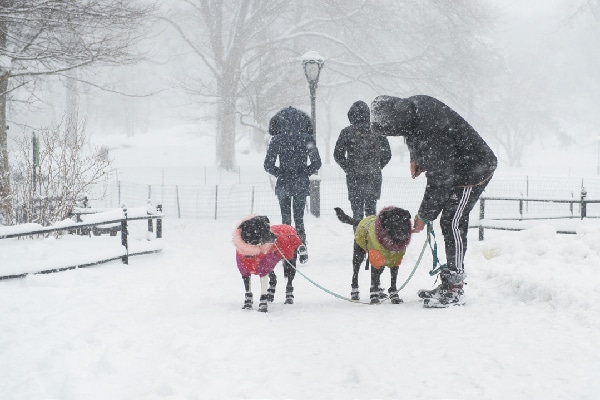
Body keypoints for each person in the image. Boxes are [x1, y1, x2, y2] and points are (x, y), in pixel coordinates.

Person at [371, 95, 497, 307]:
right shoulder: (412, 110)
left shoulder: (430, 126)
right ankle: (449, 281)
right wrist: (417, 158)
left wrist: (424, 215)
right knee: (449, 221)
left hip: (473, 169)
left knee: (452, 221)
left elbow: (440, 177)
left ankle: (454, 286)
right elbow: (413, 135)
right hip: (456, 167)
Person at [264, 106, 322, 246]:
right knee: (299, 218)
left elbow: (268, 165)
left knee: (286, 218)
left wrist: (281, 173)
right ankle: (301, 244)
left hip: (284, 183)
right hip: (300, 183)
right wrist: (304, 173)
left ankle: (287, 245)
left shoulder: (277, 140)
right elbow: (317, 162)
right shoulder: (307, 139)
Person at [334, 100, 392, 227]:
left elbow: (337, 155)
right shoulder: (378, 131)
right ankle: (371, 242)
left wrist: (348, 168)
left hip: (354, 178)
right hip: (373, 177)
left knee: (357, 214)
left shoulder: (347, 132)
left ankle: (358, 242)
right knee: (371, 213)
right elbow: (387, 154)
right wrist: (377, 166)